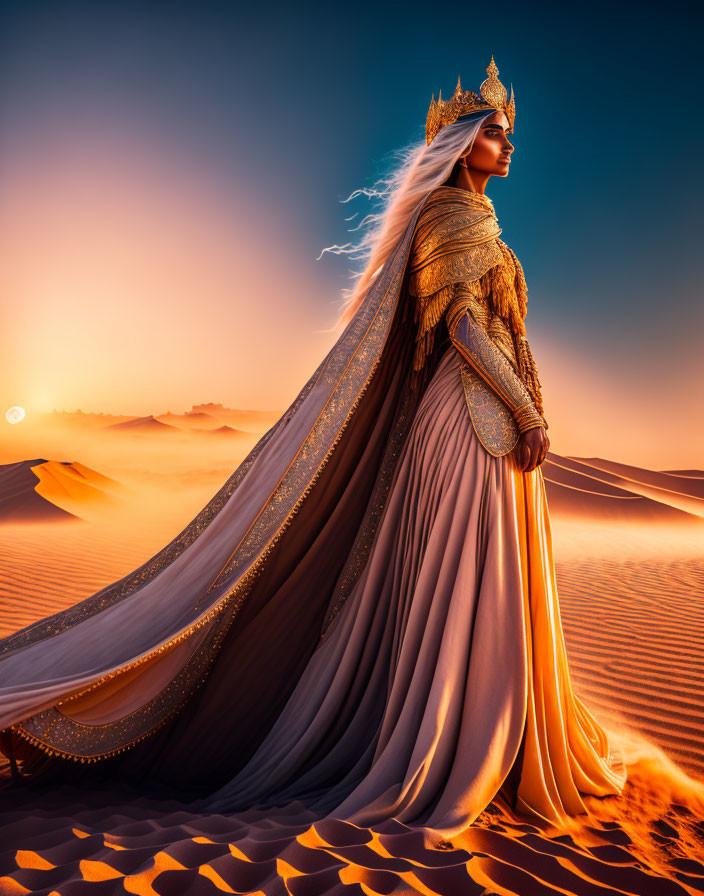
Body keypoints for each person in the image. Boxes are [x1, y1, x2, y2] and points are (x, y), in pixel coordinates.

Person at [0, 57, 626, 840]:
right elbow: (465, 328)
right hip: (472, 420)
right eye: (494, 132)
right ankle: (462, 746)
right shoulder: (450, 220)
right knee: (472, 575)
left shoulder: (478, 222)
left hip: (484, 416)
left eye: (509, 132)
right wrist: (527, 411)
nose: (508, 144)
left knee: (483, 580)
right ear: (462, 143)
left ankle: (491, 738)